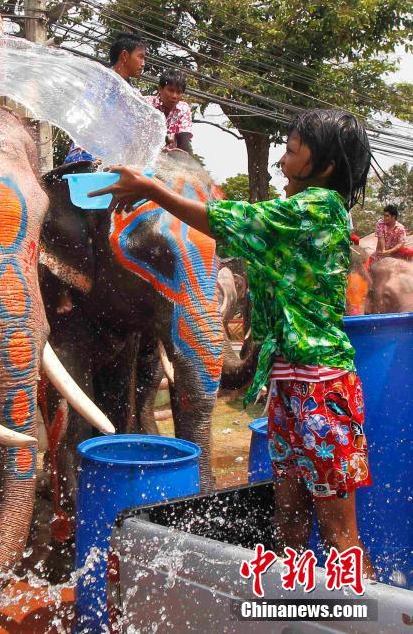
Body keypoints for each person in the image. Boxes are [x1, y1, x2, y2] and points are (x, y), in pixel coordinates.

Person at [93, 109, 376, 579]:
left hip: (323, 392)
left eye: (292, 152)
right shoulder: (290, 222)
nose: (281, 162)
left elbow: (229, 220)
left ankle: (363, 611)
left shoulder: (320, 208)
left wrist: (151, 189)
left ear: (324, 167)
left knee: (338, 535)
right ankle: (293, 610)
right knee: (288, 525)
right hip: (288, 389)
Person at [64, 32, 148, 163]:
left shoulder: (133, 95)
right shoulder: (99, 83)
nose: (143, 63)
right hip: (85, 158)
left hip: (114, 163)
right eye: (140, 57)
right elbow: (84, 120)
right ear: (125, 56)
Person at [147, 69, 193, 153]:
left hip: (168, 158)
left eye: (179, 92)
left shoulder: (183, 109)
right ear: (160, 88)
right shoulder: (146, 104)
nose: (174, 96)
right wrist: (167, 139)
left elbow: (183, 142)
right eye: (171, 90)